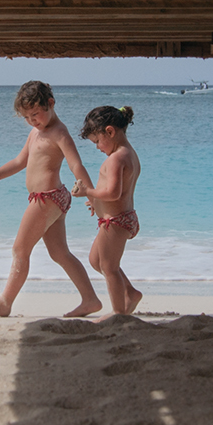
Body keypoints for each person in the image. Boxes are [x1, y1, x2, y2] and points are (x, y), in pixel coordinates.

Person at [0, 81, 101, 318]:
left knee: (20, 249)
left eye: (35, 114)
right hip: (52, 197)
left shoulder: (59, 132)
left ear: (50, 104)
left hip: (48, 198)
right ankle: (90, 299)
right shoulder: (35, 132)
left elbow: (76, 164)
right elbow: (20, 162)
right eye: (27, 117)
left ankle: (5, 302)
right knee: (59, 253)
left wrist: (91, 194)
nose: (32, 120)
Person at [71, 105, 142, 317]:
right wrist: (96, 203)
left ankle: (118, 312)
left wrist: (88, 191)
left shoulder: (116, 159)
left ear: (110, 131)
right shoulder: (128, 154)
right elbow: (116, 192)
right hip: (121, 218)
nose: (97, 147)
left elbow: (113, 193)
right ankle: (129, 292)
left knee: (109, 267)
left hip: (116, 221)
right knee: (96, 260)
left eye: (97, 141)